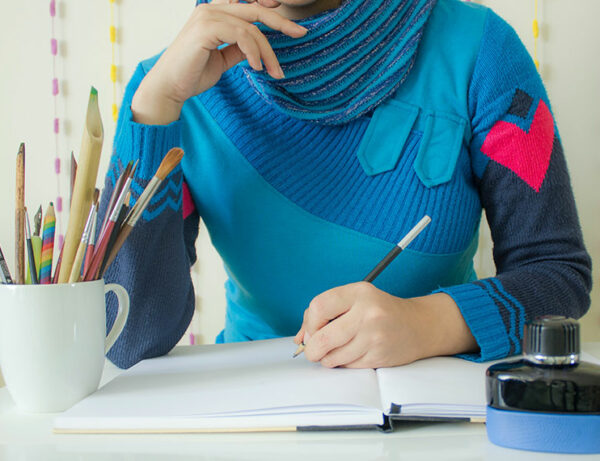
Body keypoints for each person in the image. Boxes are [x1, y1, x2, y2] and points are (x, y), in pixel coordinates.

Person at [100, 0, 592, 369]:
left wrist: (430, 324)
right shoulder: (169, 87)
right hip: (252, 417)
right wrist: (154, 111)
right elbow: (128, 341)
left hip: (435, 416)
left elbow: (558, 275)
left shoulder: (482, 51)